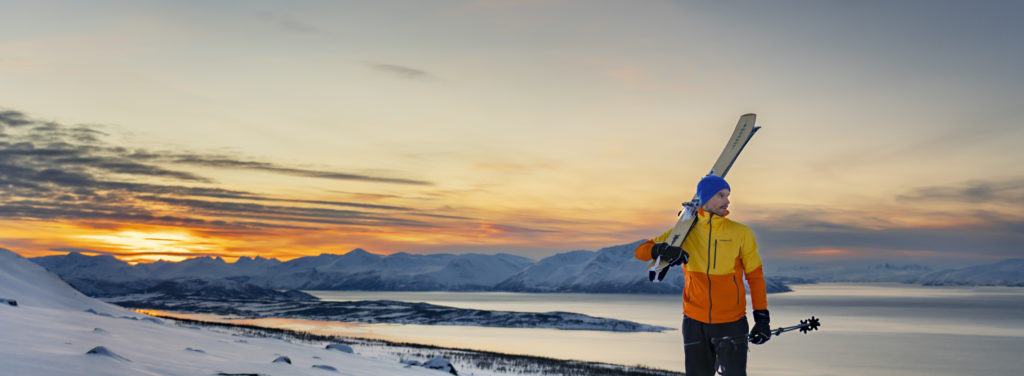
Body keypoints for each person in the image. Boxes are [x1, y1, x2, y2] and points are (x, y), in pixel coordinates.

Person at [634, 175, 770, 376]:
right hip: (694, 323)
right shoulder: (685, 232)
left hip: (731, 323)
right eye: (721, 195)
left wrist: (762, 318)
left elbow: (755, 277)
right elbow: (641, 251)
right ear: (705, 199)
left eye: (728, 196)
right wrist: (663, 250)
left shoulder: (741, 233)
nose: (727, 201)